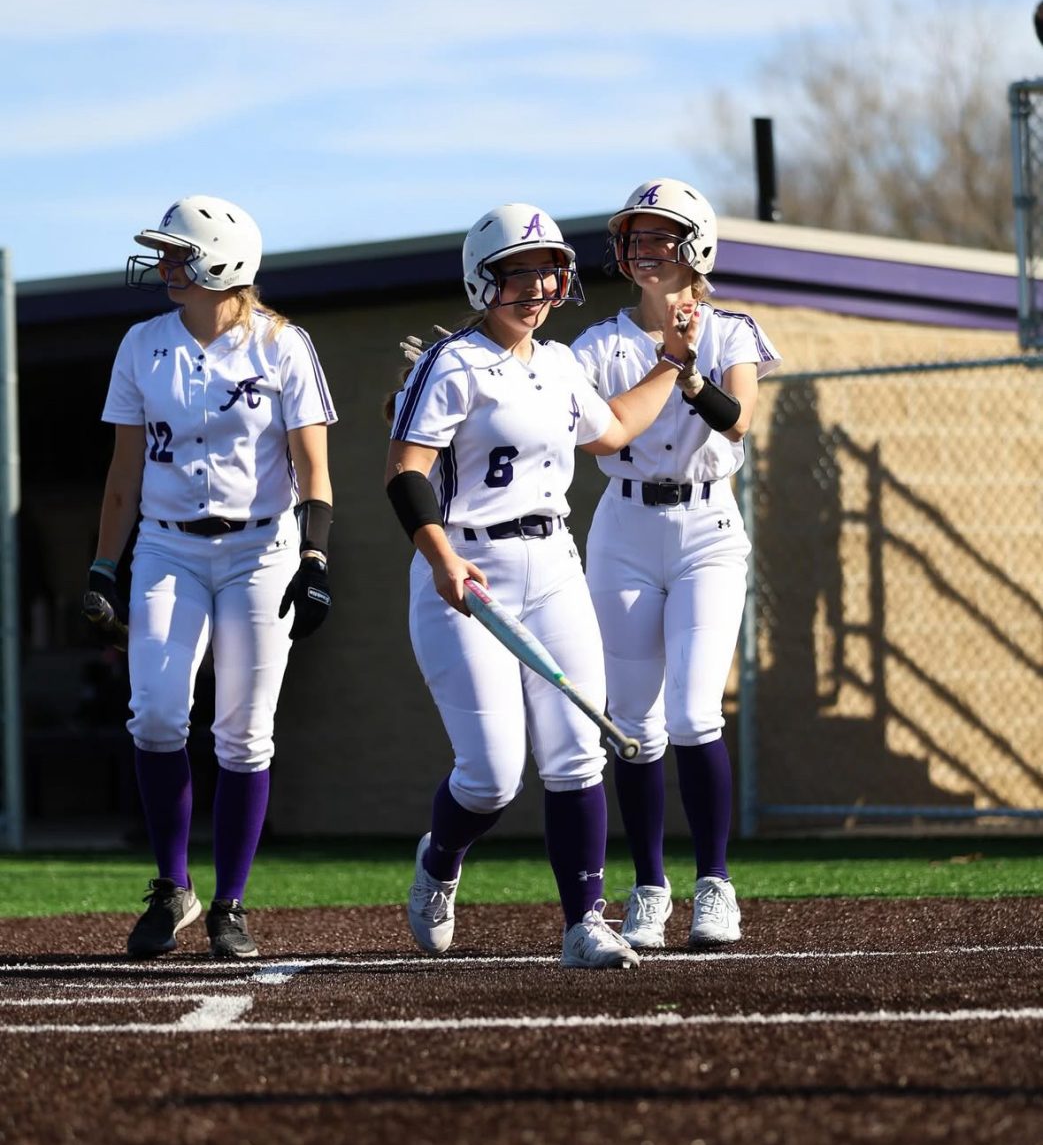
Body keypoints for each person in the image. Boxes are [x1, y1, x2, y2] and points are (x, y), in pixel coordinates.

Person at [384, 203, 697, 969]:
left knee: (575, 755)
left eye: (546, 272)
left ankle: (583, 921)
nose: (534, 287)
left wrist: (671, 363)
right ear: (479, 280)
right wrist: (439, 558)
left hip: (553, 563)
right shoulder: (451, 364)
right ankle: (440, 860)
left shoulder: (558, 364)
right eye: (514, 273)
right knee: (490, 778)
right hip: (467, 570)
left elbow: (613, 433)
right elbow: (404, 473)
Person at [84, 194, 336, 960]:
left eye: (178, 253)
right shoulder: (142, 344)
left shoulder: (283, 346)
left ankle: (230, 902)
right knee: (156, 714)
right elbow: (123, 474)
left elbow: (313, 469)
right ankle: (173, 886)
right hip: (166, 547)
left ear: (223, 262)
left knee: (243, 733)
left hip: (262, 549)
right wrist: (102, 562)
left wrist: (316, 556)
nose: (165, 265)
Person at [570, 178, 781, 949]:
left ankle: (715, 884)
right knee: (632, 724)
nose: (641, 249)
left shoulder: (729, 331)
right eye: (634, 236)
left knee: (694, 714)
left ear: (696, 244)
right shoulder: (598, 343)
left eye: (659, 235)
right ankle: (650, 887)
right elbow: (577, 423)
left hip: (705, 528)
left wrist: (687, 371)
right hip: (624, 525)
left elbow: (736, 427)